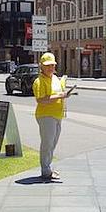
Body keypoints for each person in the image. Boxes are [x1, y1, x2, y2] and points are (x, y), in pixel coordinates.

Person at [32, 52, 73, 181]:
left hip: (57, 115)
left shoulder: (55, 78)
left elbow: (59, 92)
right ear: (41, 66)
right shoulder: (39, 81)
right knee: (47, 143)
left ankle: (47, 168)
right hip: (46, 116)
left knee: (52, 143)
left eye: (52, 65)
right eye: (47, 65)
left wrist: (64, 91)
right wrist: (60, 96)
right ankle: (45, 171)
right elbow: (41, 100)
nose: (50, 68)